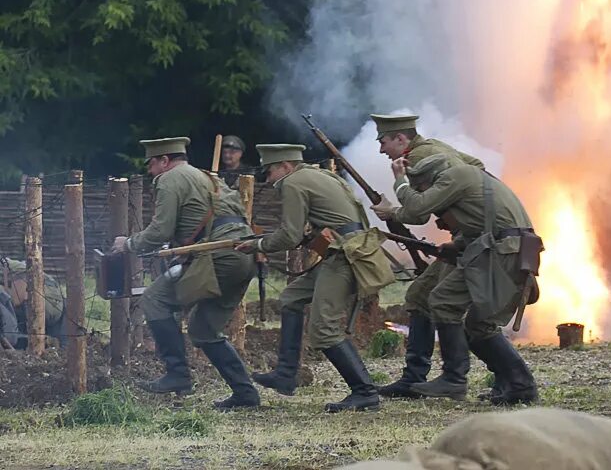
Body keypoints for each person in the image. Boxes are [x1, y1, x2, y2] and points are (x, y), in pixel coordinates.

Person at [372, 153, 540, 404]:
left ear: (432, 180)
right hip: (502, 248)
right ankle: (521, 387)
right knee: (477, 325)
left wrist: (400, 183)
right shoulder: (468, 177)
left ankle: (454, 379)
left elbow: (417, 208)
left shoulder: (456, 175)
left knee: (441, 300)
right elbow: (483, 221)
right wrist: (457, 244)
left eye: (423, 187)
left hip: (502, 250)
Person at [237, 143, 391, 412]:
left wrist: (258, 245)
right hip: (345, 249)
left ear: (286, 166)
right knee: (291, 298)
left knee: (324, 329)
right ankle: (286, 375)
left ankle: (365, 392)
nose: (269, 179)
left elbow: (289, 235)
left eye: (271, 171)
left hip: (345, 254)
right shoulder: (322, 174)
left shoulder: (293, 182)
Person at [111, 137, 259, 409]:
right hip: (243, 256)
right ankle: (246, 395)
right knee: (203, 329)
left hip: (218, 255)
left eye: (152, 164)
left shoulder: (170, 179)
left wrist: (128, 244)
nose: (150, 171)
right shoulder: (205, 176)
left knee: (154, 299)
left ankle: (177, 374)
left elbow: (160, 231)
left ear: (165, 161)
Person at [369, 113, 486, 399]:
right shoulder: (433, 146)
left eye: (384, 142)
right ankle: (414, 379)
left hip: (474, 240)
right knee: (420, 295)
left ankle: (454, 379)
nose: (381, 149)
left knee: (442, 303)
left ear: (400, 139)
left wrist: (391, 210)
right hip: (469, 235)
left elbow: (418, 213)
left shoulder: (418, 158)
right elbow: (477, 167)